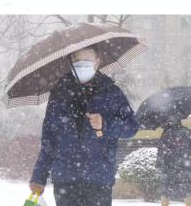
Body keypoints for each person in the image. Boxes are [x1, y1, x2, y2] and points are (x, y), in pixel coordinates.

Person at [29, 45, 140, 206]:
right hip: (65, 180)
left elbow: (131, 127)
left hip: (99, 179)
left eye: (87, 60)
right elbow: (49, 140)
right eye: (77, 60)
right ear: (71, 62)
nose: (82, 64)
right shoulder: (59, 95)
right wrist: (39, 177)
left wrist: (105, 124)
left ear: (97, 61)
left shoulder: (112, 93)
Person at [157, 118, 191, 206]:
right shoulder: (187, 131)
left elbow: (160, 150)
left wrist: (159, 164)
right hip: (185, 165)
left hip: (169, 166)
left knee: (166, 190)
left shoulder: (165, 133)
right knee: (187, 189)